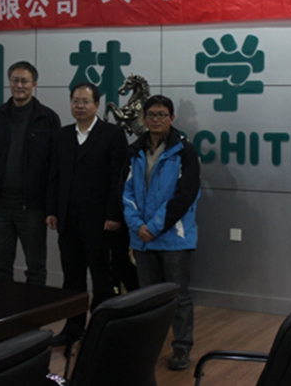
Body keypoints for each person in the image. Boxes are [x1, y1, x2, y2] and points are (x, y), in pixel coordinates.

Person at [46, 82, 128, 347]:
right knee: (72, 278)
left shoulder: (112, 134)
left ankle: (102, 330)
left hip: (100, 221)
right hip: (68, 220)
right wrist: (52, 210)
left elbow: (118, 178)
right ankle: (73, 328)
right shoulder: (62, 135)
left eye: (85, 101)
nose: (79, 106)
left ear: (97, 105)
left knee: (102, 277)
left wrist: (114, 214)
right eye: (75, 101)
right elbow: (54, 176)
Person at [122, 94, 200, 371]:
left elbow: (186, 195)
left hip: (173, 238)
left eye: (162, 115)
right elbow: (126, 192)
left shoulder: (185, 151)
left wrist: (154, 227)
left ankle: (181, 347)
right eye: (151, 115)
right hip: (142, 239)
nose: (156, 119)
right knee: (148, 298)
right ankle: (149, 345)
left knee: (179, 297)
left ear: (172, 118)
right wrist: (137, 225)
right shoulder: (134, 151)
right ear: (144, 118)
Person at [0, 61, 60, 285]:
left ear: (34, 85)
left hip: (32, 207)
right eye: (15, 80)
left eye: (24, 81)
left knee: (35, 268)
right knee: (0, 267)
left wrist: (51, 206)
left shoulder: (48, 118)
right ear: (9, 83)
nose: (19, 85)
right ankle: (3, 307)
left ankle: (34, 308)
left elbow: (55, 166)